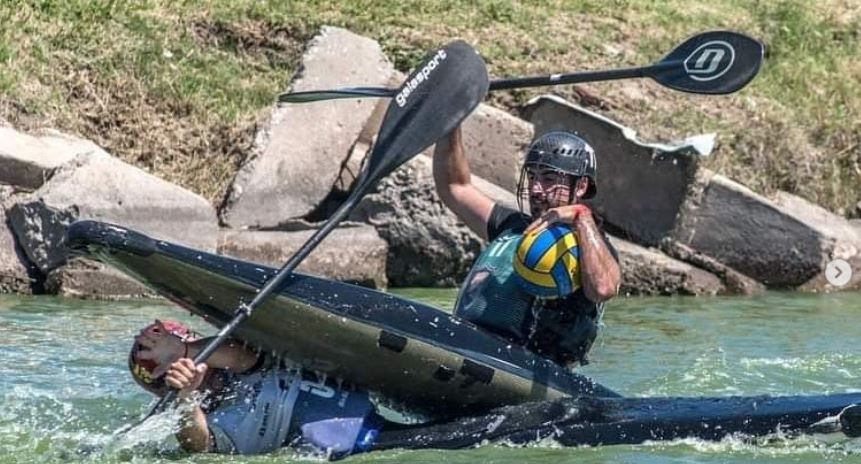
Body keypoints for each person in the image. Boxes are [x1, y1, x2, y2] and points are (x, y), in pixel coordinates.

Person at [433, 128, 621, 367]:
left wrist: (581, 217)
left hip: (529, 372)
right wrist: (451, 120)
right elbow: (455, 187)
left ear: (581, 186)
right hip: (469, 348)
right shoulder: (511, 225)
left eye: (549, 179)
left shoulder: (589, 247)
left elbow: (604, 288)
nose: (535, 189)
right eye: (532, 176)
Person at [129, 319, 390, 459]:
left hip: (370, 417)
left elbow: (242, 357)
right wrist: (186, 397)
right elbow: (200, 445)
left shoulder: (236, 359)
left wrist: (184, 351)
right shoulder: (199, 420)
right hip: (356, 448)